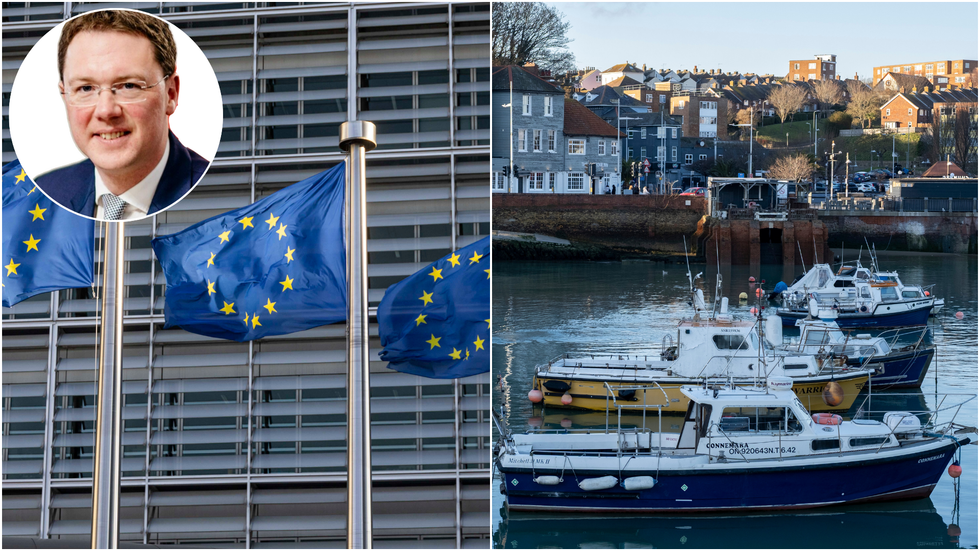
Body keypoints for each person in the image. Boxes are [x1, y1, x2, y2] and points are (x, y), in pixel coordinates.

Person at [36, 10, 208, 220]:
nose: (106, 111)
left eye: (129, 86)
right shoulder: (42, 195)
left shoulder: (214, 197)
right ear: (65, 95)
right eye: (86, 88)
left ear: (170, 94)